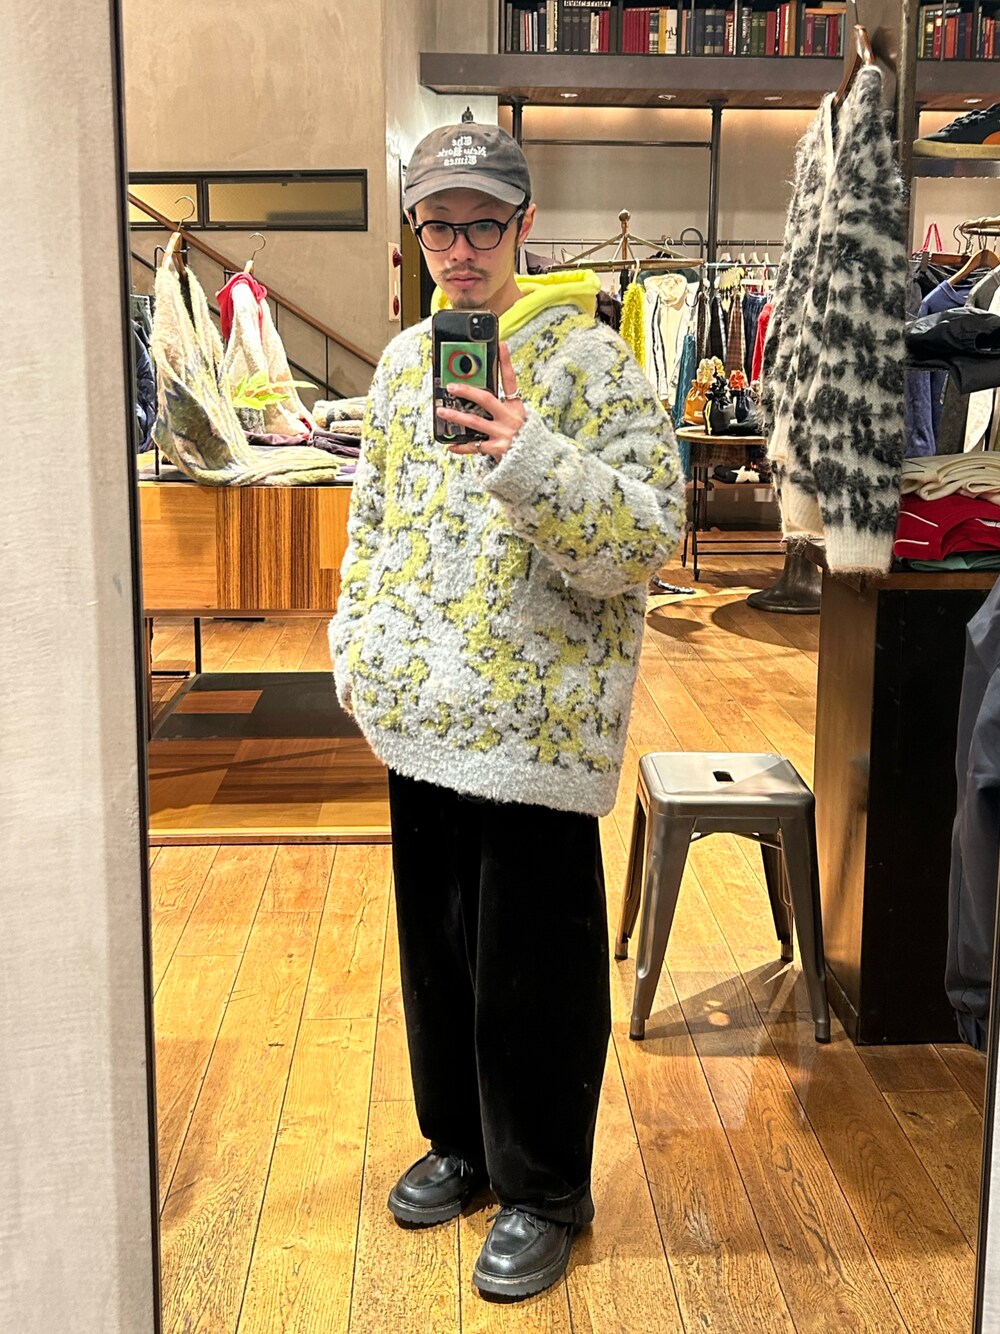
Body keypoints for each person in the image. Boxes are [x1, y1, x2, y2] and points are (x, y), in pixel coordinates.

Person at [328, 119, 683, 1301]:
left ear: (525, 223)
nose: (460, 250)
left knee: (534, 966)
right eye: (438, 226)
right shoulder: (401, 366)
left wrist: (530, 453)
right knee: (437, 954)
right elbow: (373, 521)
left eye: (483, 223)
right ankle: (463, 1143)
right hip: (418, 720)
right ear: (415, 232)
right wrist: (357, 645)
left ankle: (543, 1185)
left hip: (533, 729)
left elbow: (644, 539)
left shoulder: (593, 364)